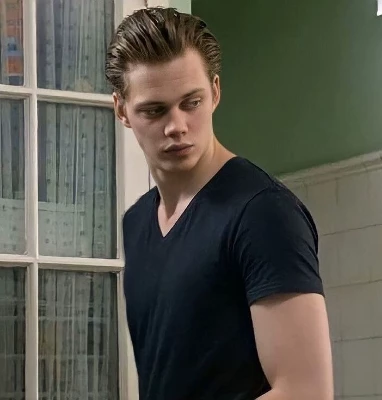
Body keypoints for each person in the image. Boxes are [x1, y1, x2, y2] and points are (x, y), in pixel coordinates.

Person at [105, 7, 333, 400]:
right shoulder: (137, 222)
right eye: (154, 110)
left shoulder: (264, 214)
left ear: (214, 91)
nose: (176, 126)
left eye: (190, 102)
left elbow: (306, 392)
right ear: (122, 110)